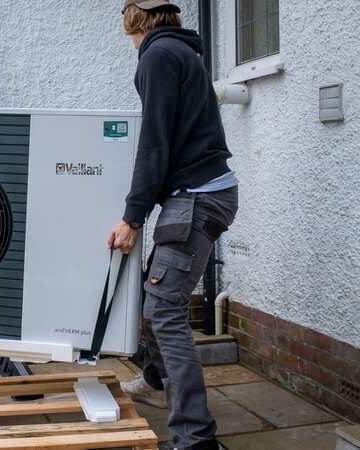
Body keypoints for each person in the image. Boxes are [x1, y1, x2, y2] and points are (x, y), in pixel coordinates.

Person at [108, 1, 239, 449]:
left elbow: (155, 142)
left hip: (197, 199)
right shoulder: (181, 51)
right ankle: (155, 379)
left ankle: (195, 438)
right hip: (204, 193)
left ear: (133, 22)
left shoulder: (158, 56)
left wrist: (132, 216)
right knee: (154, 299)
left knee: (163, 310)